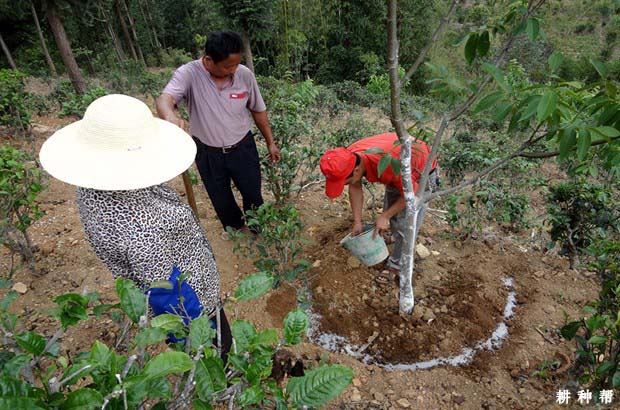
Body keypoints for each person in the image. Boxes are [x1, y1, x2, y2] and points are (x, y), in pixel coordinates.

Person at [39, 94, 231, 355]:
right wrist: (198, 334)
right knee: (216, 347)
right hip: (193, 298)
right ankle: (215, 373)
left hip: (176, 274)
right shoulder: (141, 229)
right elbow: (169, 295)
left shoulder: (94, 185)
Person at [156, 30, 281, 237]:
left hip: (242, 147)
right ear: (208, 60)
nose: (233, 70)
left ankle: (257, 227)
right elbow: (164, 99)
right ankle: (234, 228)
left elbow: (258, 110)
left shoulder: (244, 75)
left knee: (252, 193)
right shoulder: (189, 74)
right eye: (227, 66)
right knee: (220, 198)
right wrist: (170, 116)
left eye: (236, 64)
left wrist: (271, 142)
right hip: (208, 152)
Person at [319, 132, 439, 284]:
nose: (344, 185)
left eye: (344, 182)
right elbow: (355, 187)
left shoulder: (391, 163)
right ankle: (395, 236)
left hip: (420, 173)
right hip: (398, 172)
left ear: (356, 171)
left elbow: (411, 196)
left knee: (405, 223)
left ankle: (397, 265)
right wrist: (357, 221)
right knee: (392, 208)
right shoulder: (349, 157)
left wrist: (385, 216)